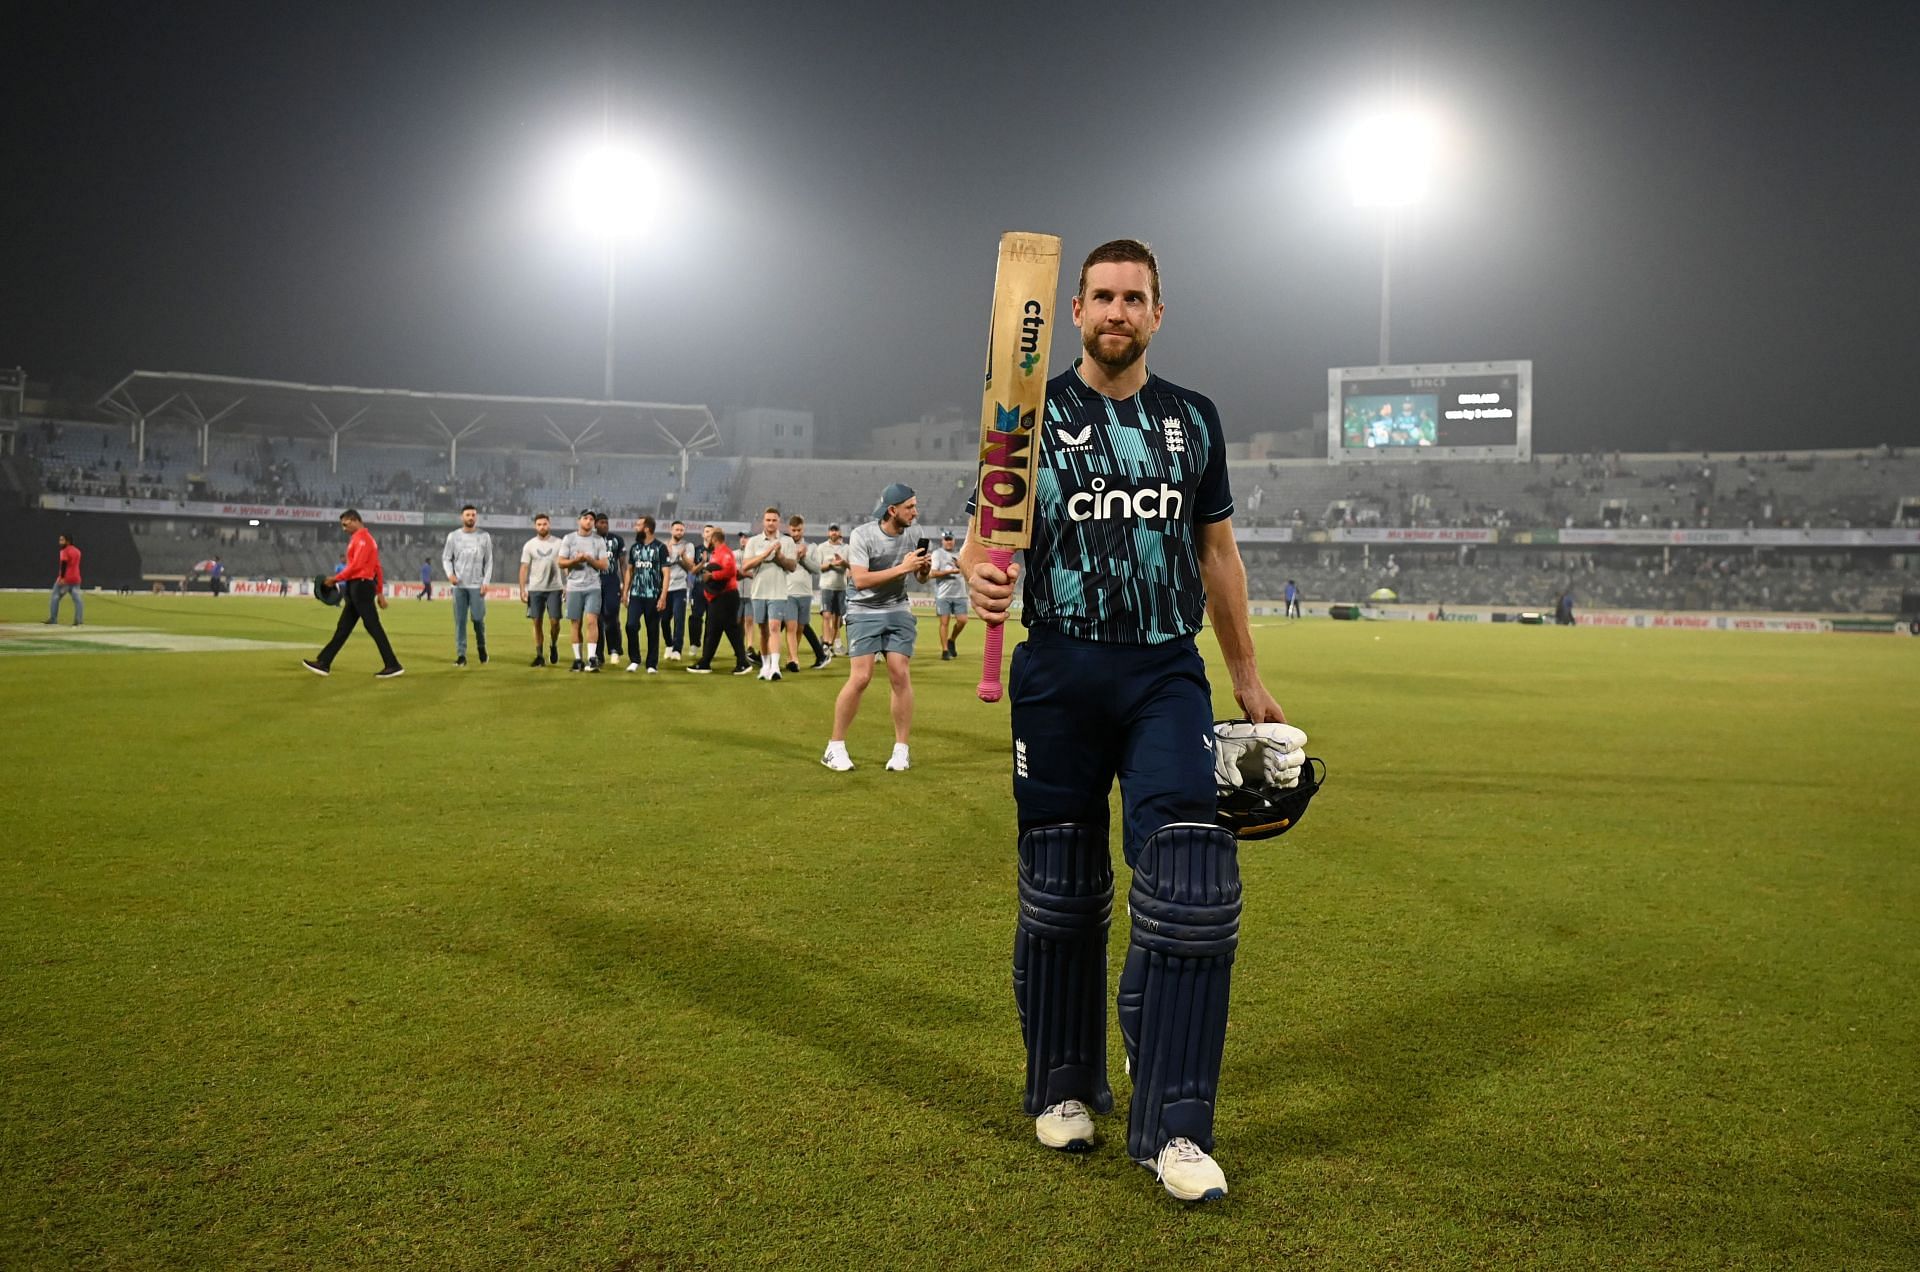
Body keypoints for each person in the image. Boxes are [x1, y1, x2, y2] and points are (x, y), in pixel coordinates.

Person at [960, 239, 1286, 1203]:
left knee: (1191, 881)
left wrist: (1248, 675)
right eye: (1100, 295)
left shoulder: (1193, 420)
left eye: (1133, 298)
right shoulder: (1027, 414)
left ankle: (1175, 1127)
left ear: (1157, 313)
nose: (1116, 310)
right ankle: (1065, 1083)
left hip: (1162, 673)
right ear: (1072, 312)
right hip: (1058, 669)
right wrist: (976, 568)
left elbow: (1217, 554)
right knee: (1061, 887)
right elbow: (989, 530)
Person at [821, 483, 929, 773]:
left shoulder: (915, 533)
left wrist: (922, 568)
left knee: (900, 673)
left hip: (898, 608)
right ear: (892, 510)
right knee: (861, 677)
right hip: (863, 609)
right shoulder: (862, 535)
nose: (915, 512)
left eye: (915, 506)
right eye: (910, 507)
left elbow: (919, 578)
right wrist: (903, 568)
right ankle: (834, 747)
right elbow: (860, 580)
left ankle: (901, 750)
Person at [303, 509, 404, 678]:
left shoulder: (363, 539)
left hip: (361, 585)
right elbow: (377, 568)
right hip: (358, 586)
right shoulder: (360, 539)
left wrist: (335, 579)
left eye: (345, 524)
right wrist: (379, 593)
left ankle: (393, 664)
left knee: (372, 626)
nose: (343, 528)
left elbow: (356, 566)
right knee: (344, 627)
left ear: (355, 520)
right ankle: (324, 662)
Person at [685, 524, 752, 675]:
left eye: (709, 537)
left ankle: (735, 662)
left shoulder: (724, 552)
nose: (707, 539)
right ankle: (710, 662)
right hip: (720, 596)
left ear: (714, 538)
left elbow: (729, 571)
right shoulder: (717, 553)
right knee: (718, 630)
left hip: (725, 597)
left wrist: (711, 576)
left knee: (723, 629)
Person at [741, 507, 793, 681]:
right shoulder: (753, 542)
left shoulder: (787, 542)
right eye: (768, 520)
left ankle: (775, 667)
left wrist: (778, 555)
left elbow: (792, 566)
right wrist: (764, 554)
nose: (771, 523)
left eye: (774, 520)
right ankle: (765, 666)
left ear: (780, 522)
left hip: (778, 592)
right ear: (763, 522)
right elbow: (745, 566)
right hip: (758, 592)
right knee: (763, 631)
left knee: (774, 627)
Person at [558, 509, 609, 672]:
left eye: (591, 519)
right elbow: (560, 562)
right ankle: (578, 659)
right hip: (574, 586)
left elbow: (604, 565)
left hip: (593, 586)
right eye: (585, 518)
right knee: (575, 624)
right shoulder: (569, 538)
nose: (589, 521)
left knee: (591, 621)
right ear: (579, 520)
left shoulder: (598, 540)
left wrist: (589, 559)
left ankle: (592, 658)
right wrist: (576, 560)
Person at [442, 503, 493, 666]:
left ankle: (481, 647)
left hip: (477, 585)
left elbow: (489, 561)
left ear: (476, 517)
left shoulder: (484, 536)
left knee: (478, 619)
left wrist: (486, 581)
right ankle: (461, 655)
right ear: (462, 517)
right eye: (467, 515)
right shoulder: (453, 536)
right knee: (460, 621)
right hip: (459, 586)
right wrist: (450, 574)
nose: (470, 517)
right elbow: (446, 558)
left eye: (473, 515)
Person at [621, 515, 670, 673]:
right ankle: (635, 659)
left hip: (653, 595)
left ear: (647, 528)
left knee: (652, 629)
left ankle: (651, 664)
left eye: (638, 525)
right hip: (636, 594)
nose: (636, 527)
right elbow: (630, 570)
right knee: (631, 625)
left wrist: (663, 596)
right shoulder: (635, 548)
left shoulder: (661, 548)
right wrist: (625, 591)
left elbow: (666, 573)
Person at [782, 514, 831, 672]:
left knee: (800, 628)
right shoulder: (783, 546)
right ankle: (794, 660)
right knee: (790, 626)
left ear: (803, 529)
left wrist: (803, 558)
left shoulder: (812, 547)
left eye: (799, 530)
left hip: (805, 593)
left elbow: (817, 569)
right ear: (789, 529)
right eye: (793, 530)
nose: (796, 533)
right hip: (788, 592)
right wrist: (795, 556)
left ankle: (791, 658)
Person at [519, 512, 564, 667]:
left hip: (555, 588)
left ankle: (553, 644)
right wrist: (522, 589)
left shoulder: (559, 543)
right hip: (535, 589)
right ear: (535, 526)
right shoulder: (529, 545)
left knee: (555, 622)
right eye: (539, 524)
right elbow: (524, 568)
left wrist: (568, 584)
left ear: (549, 524)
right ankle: (539, 655)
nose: (542, 527)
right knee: (536, 622)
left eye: (544, 524)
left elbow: (564, 564)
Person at [929, 530, 969, 659]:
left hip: (960, 593)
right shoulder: (937, 554)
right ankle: (945, 650)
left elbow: (968, 573)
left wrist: (961, 567)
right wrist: (950, 571)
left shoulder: (961, 554)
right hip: (943, 594)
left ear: (954, 540)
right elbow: (933, 573)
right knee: (944, 622)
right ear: (942, 541)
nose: (948, 541)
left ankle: (952, 640)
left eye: (950, 539)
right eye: (946, 539)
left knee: (962, 621)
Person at [595, 511, 626, 665]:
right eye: (601, 522)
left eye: (606, 522)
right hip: (594, 581)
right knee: (596, 618)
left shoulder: (617, 540)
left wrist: (625, 585)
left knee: (611, 614)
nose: (605, 525)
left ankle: (614, 649)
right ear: (595, 524)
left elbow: (623, 564)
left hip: (611, 580)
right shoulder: (589, 540)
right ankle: (598, 655)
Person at [661, 519, 694, 660]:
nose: (679, 532)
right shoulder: (663, 546)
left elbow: (691, 567)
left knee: (679, 619)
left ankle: (677, 650)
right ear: (671, 530)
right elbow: (659, 567)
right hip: (665, 588)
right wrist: (667, 555)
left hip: (680, 587)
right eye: (677, 529)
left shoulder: (688, 546)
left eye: (682, 530)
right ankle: (669, 644)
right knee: (663, 620)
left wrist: (682, 557)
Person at [817, 524, 850, 655]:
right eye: (832, 530)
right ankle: (826, 644)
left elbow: (851, 565)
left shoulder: (846, 548)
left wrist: (843, 563)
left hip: (841, 586)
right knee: (826, 615)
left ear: (840, 532)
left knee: (837, 619)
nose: (834, 533)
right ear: (828, 533)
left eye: (836, 530)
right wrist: (831, 564)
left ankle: (832, 643)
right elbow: (818, 566)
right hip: (826, 586)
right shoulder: (822, 547)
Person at [47, 532, 83, 625]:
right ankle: (78, 620)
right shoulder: (77, 551)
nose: (60, 542)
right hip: (76, 578)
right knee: (77, 599)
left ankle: (53, 619)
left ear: (68, 541)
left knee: (55, 597)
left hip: (65, 579)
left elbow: (63, 564)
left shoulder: (64, 551)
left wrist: (62, 578)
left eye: (62, 540)